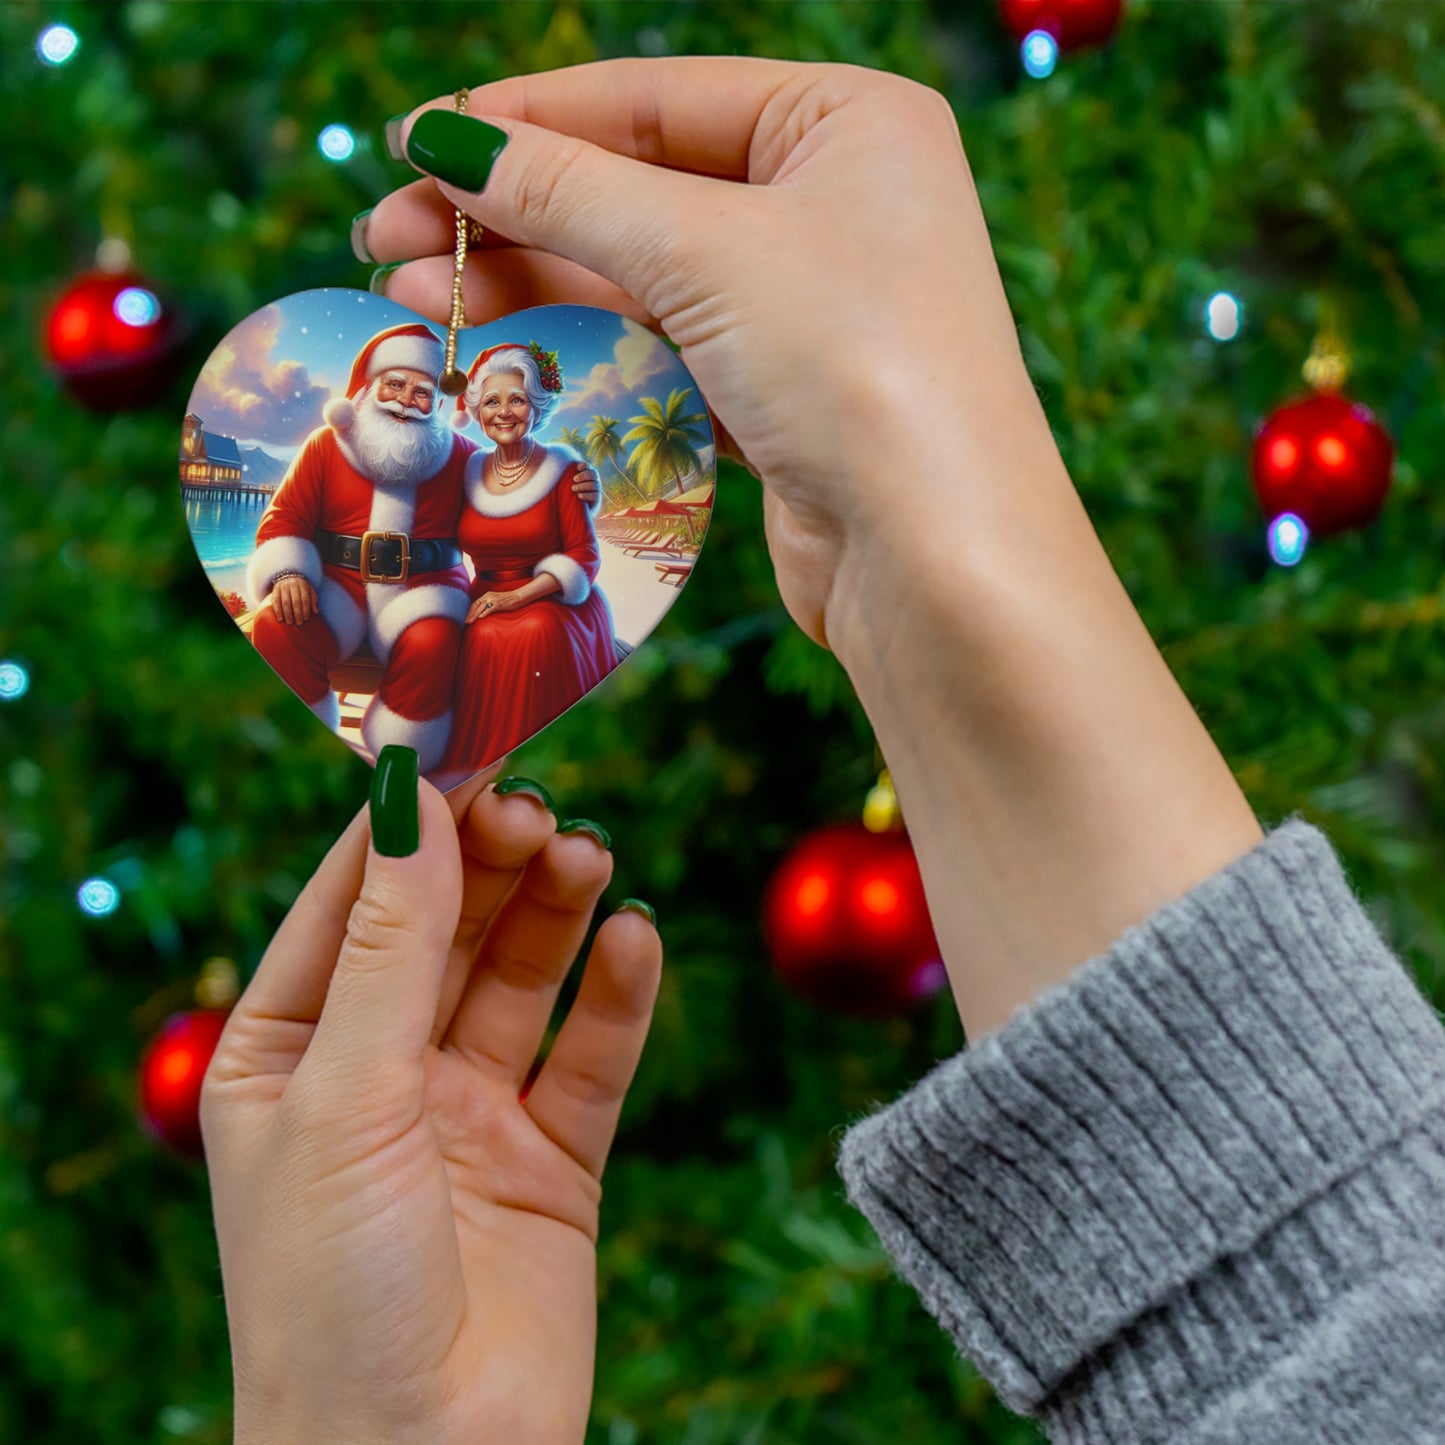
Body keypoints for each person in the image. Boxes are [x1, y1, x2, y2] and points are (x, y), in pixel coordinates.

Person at [202, 57, 1445, 1444]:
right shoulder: (346, 453)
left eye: (505, 396)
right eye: (468, 397)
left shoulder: (556, 473)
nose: (486, 412)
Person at [246, 322, 474, 776]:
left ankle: (403, 760)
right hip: (338, 585)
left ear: (440, 403)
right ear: (368, 388)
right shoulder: (326, 445)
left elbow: (504, 513)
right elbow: (285, 518)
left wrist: (567, 488)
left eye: (423, 392)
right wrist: (289, 573)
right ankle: (305, 750)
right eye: (395, 384)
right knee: (277, 623)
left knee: (434, 641)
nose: (407, 400)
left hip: (427, 588)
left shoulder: (464, 455)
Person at [442, 341, 618, 774]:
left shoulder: (563, 470)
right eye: (491, 401)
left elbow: (583, 556)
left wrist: (515, 598)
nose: (503, 411)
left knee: (529, 631)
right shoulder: (464, 467)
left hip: (552, 601)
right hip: (483, 592)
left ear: (536, 407)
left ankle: (530, 765)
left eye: (516, 399)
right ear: (477, 411)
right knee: (459, 631)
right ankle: (467, 768)